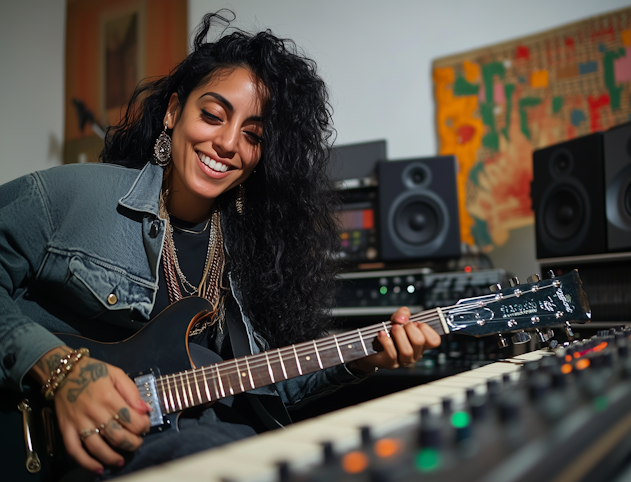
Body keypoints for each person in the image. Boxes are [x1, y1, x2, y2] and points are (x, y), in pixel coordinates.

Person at [0, 11, 440, 480]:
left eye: (252, 135)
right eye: (213, 115)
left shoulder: (247, 253)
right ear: (173, 112)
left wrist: (367, 354)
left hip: (193, 448)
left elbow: (268, 385)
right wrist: (59, 370)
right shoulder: (75, 196)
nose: (228, 143)